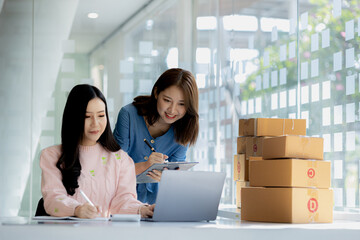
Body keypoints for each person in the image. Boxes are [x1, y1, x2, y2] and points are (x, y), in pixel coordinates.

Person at [40, 84, 154, 218]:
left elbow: (123, 200)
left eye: (101, 115)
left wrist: (142, 209)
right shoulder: (52, 156)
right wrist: (76, 209)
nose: (95, 124)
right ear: (73, 118)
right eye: (87, 117)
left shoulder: (121, 159)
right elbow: (53, 198)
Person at [113, 68, 199, 204]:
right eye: (167, 100)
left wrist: (168, 178)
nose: (172, 110)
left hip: (157, 207)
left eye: (181, 104)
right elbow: (115, 169)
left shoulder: (184, 130)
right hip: (121, 202)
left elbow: (175, 178)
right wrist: (146, 165)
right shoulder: (128, 115)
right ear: (156, 92)